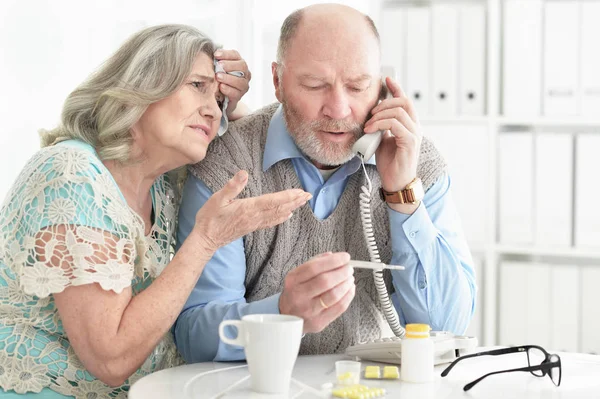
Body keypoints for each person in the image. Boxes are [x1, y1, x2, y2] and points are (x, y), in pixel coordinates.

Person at [0, 24, 311, 399]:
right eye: (197, 85)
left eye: (218, 102)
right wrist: (206, 240)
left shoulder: (163, 186)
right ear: (142, 83)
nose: (212, 111)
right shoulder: (72, 174)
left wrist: (234, 101)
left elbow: (252, 158)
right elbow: (110, 361)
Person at [174, 4, 477, 363]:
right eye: (315, 85)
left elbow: (446, 326)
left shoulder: (416, 160)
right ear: (278, 82)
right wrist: (284, 313)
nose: (338, 109)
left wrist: (402, 194)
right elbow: (194, 336)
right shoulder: (228, 163)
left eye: (358, 86)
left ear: (381, 89)